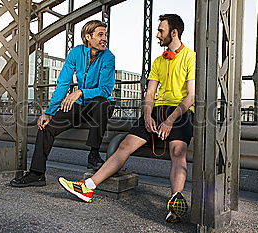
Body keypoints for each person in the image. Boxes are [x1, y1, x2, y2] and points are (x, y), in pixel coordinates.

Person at [58, 14, 195, 223]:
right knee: (124, 146)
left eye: (161, 31)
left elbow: (190, 96)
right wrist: (148, 116)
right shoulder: (158, 61)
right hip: (156, 110)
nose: (157, 35)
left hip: (180, 112)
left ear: (173, 33)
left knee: (178, 151)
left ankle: (175, 202)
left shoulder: (190, 57)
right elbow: (149, 94)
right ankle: (88, 187)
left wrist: (169, 121)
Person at [10, 20, 116, 187]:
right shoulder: (76, 53)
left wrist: (80, 92)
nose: (104, 38)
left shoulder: (108, 57)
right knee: (46, 127)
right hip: (81, 105)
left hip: (100, 106)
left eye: (105, 35)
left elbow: (105, 89)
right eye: (100, 35)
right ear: (88, 37)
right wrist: (49, 112)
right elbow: (63, 83)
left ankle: (93, 155)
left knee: (101, 102)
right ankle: (37, 174)